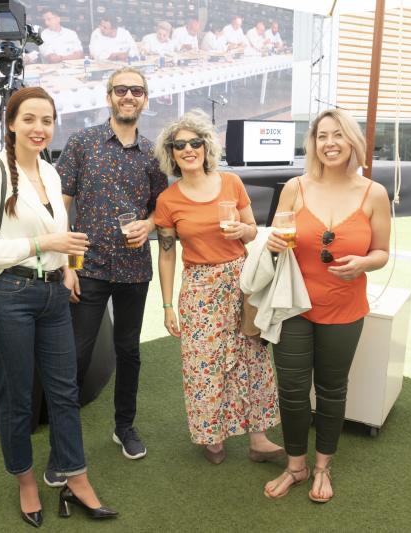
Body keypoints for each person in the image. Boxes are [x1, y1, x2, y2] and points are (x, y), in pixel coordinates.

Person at [0, 87, 117, 526]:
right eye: (29, 119)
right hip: (9, 295)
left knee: (65, 391)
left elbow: (60, 231)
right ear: (11, 123)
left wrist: (67, 265)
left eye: (47, 120)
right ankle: (26, 482)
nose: (39, 128)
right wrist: (42, 244)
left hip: (52, 294)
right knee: (16, 398)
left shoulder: (51, 172)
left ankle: (76, 475)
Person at [262, 108, 390, 503]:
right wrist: (271, 242)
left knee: (332, 390)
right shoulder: (295, 188)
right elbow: (276, 238)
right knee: (293, 391)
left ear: (352, 141)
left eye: (338, 135)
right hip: (294, 306)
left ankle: (322, 467)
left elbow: (382, 252)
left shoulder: (374, 193)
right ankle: (296, 467)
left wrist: (366, 263)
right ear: (313, 144)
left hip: (344, 308)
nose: (330, 143)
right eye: (322, 136)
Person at [153, 110, 284, 465]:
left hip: (240, 281)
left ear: (206, 146)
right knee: (203, 364)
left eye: (195, 142)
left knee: (251, 355)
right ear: (172, 153)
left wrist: (244, 231)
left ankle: (258, 439)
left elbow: (253, 229)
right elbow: (167, 256)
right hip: (199, 287)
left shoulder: (231, 183)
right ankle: (211, 436)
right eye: (180, 145)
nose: (189, 149)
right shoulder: (168, 200)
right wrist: (167, 307)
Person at [56, 67, 167, 473]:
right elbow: (60, 205)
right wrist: (67, 265)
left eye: (136, 91)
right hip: (88, 266)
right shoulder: (82, 142)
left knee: (129, 351)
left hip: (135, 269)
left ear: (145, 99)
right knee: (76, 357)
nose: (128, 96)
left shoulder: (154, 154)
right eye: (121, 90)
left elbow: (162, 207)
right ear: (109, 97)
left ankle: (125, 426)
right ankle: (62, 447)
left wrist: (149, 224)